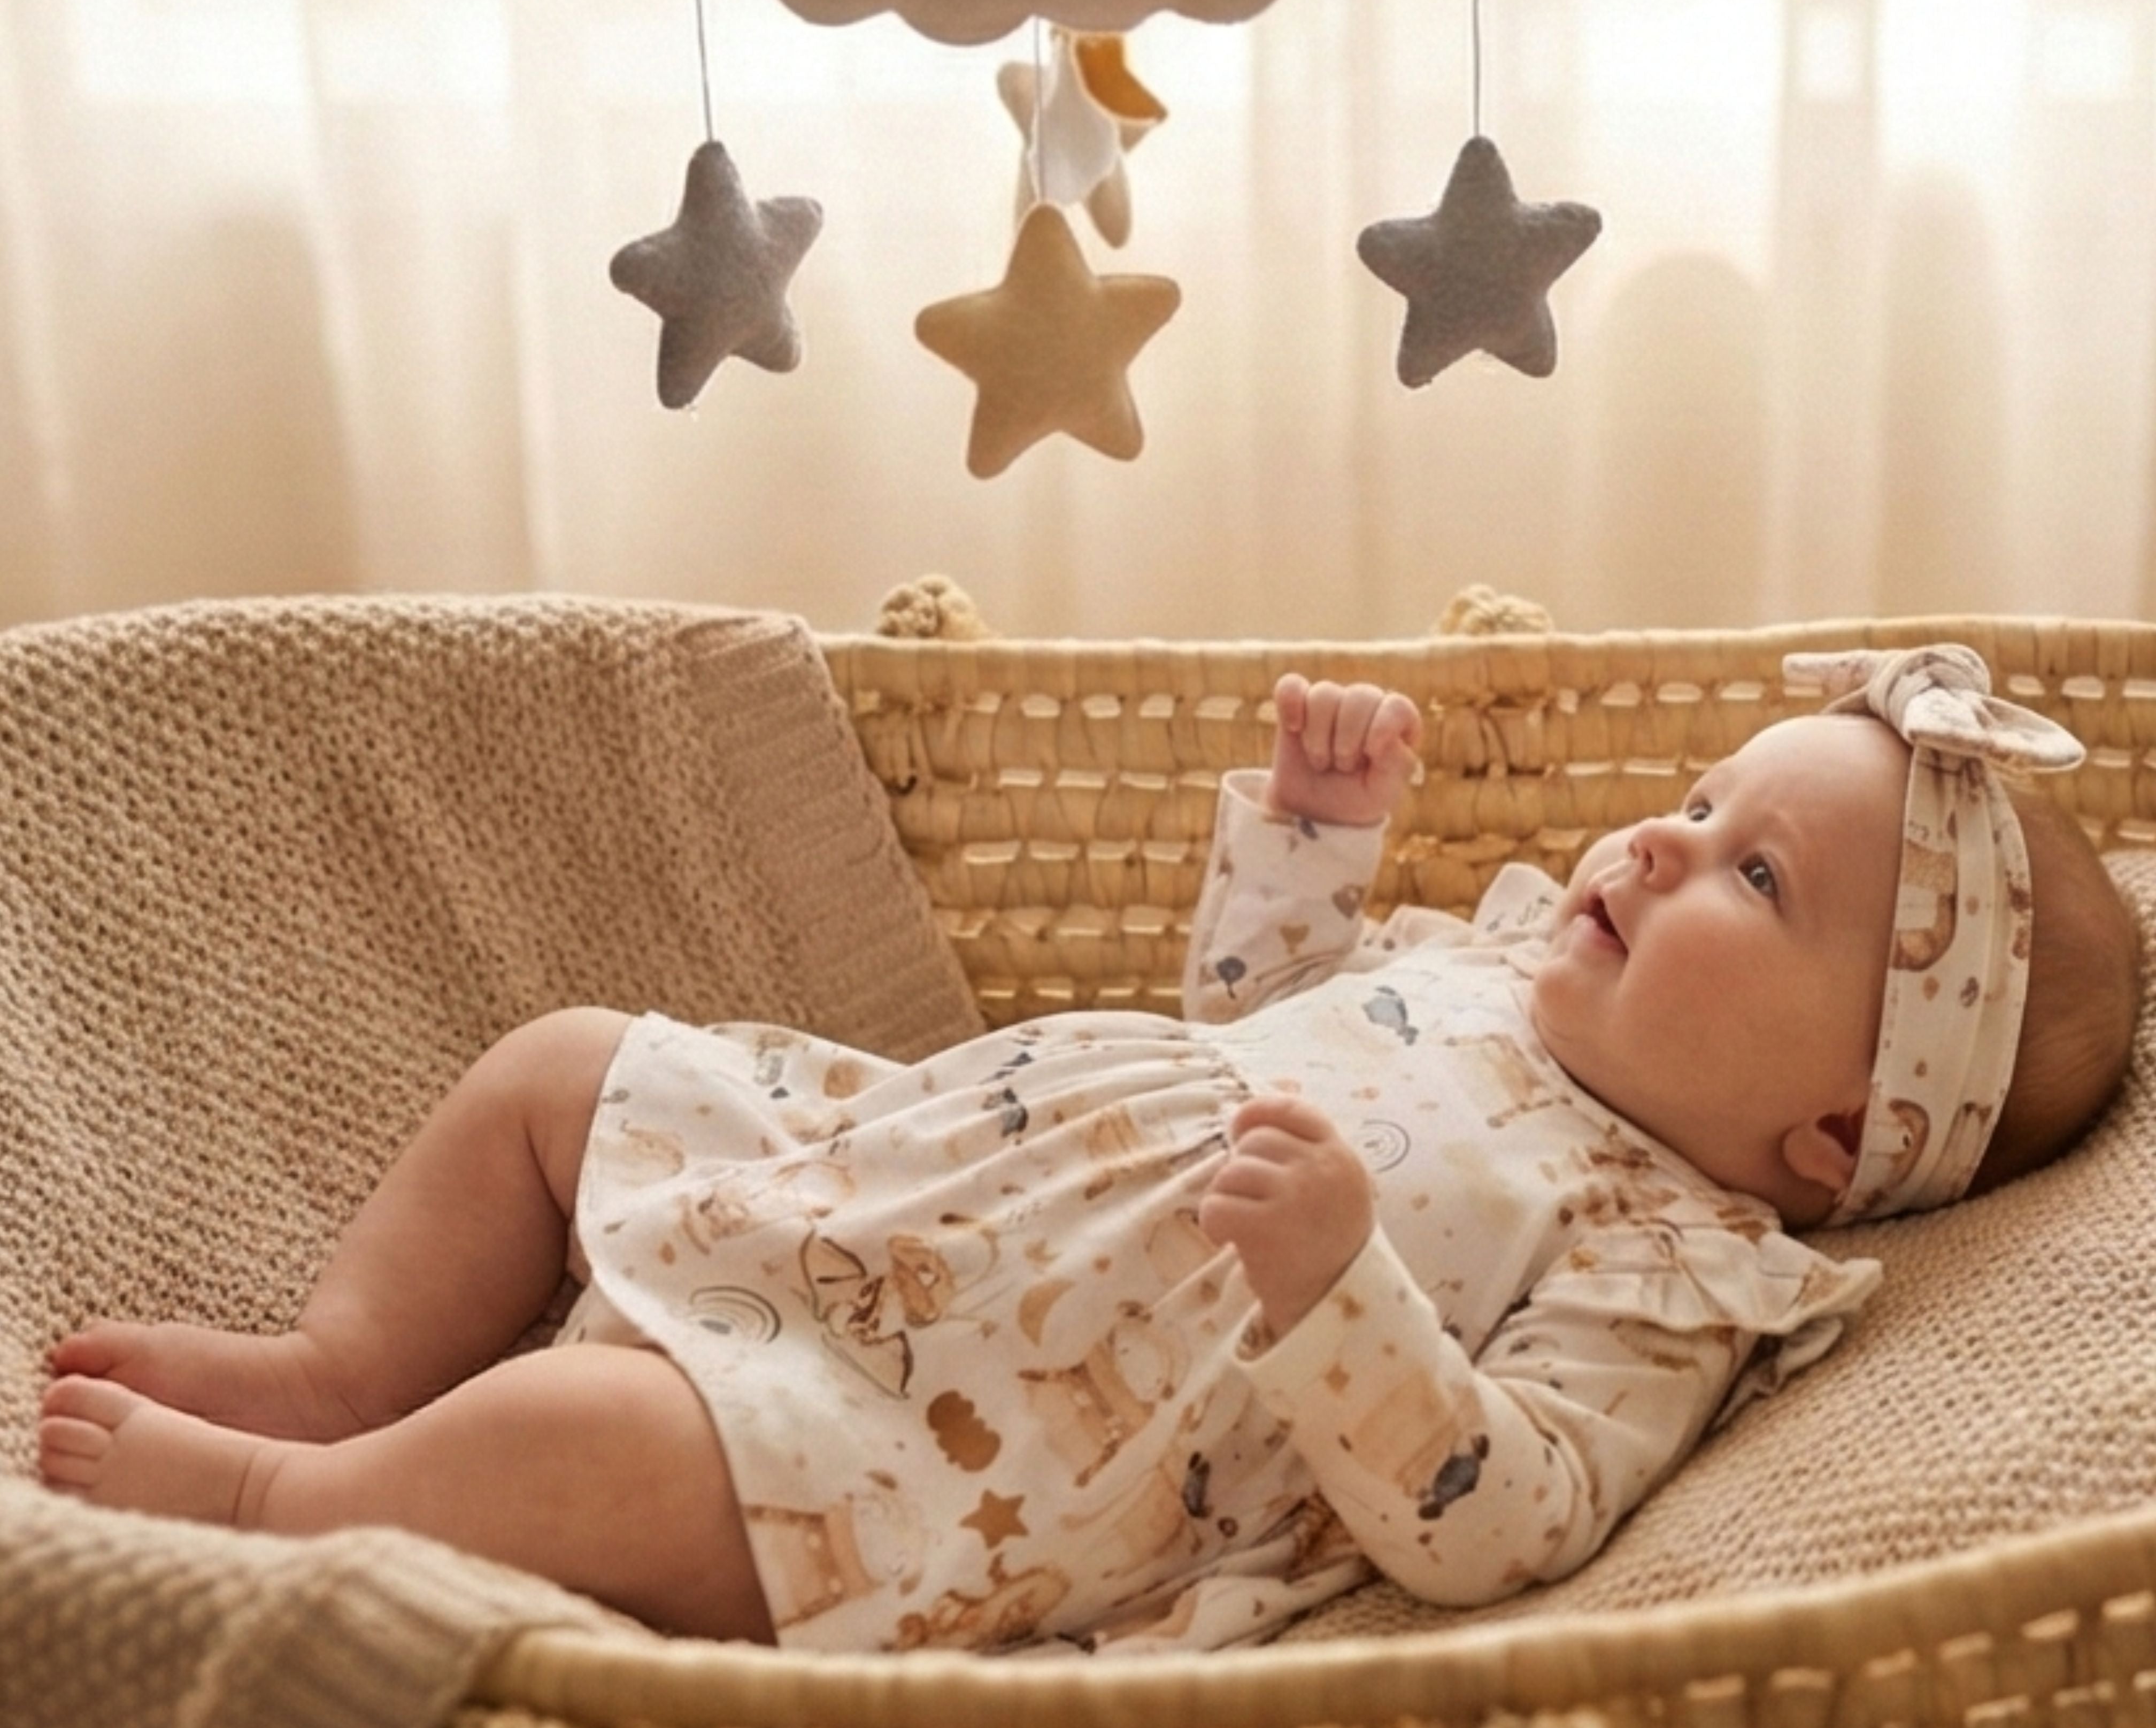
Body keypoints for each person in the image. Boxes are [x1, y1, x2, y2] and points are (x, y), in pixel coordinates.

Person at [38, 646, 2139, 1655]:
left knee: (585, 1437)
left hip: (936, 1432)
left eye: (1752, 877)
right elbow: (1242, 1025)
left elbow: (1513, 1519)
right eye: (1702, 797)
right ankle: (339, 1363)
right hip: (888, 1172)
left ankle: (277, 1492)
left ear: (1836, 1134)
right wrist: (1312, 859)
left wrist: (1348, 1295)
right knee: (564, 1065)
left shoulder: (1663, 1262)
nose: (1662, 836)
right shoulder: (1502, 974)